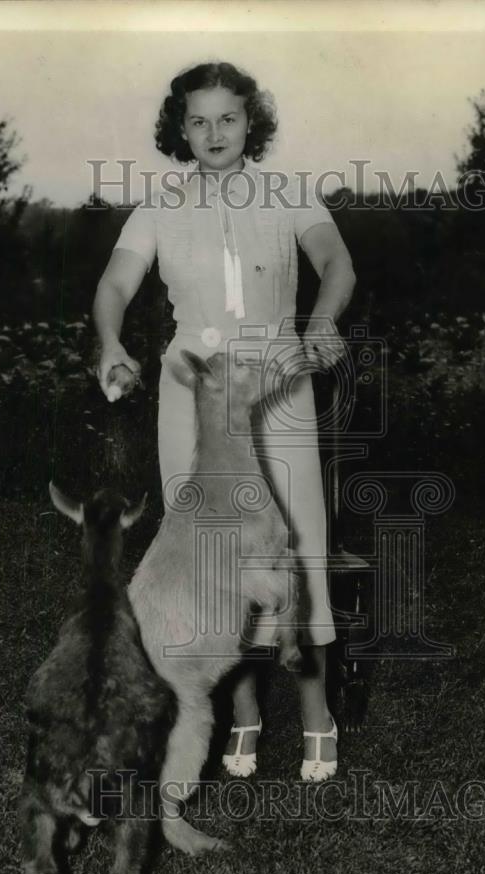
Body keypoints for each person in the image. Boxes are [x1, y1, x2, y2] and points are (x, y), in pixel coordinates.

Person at [93, 62, 355, 782]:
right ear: (180, 129)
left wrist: (323, 320)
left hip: (274, 377)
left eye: (228, 118)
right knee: (212, 559)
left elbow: (335, 261)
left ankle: (315, 716)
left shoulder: (288, 193)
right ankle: (242, 715)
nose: (214, 133)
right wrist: (110, 341)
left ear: (251, 122)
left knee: (294, 545)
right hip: (192, 388)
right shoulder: (158, 206)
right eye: (198, 121)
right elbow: (116, 282)